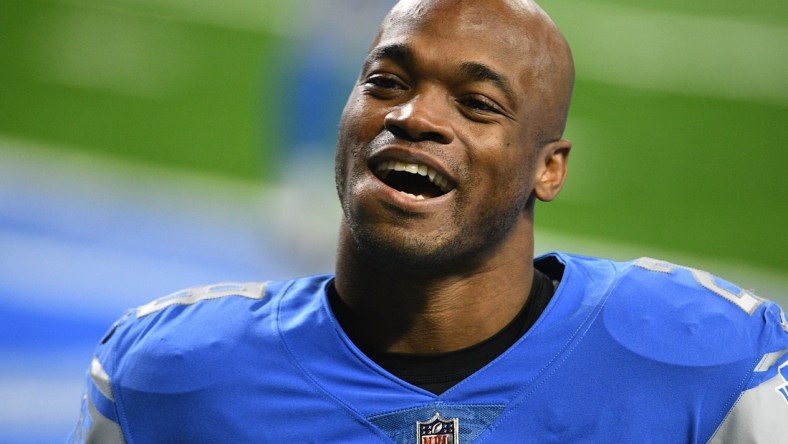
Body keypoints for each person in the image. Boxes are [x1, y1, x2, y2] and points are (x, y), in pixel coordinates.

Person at [69, 0, 788, 442]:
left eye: (478, 104)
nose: (413, 117)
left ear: (551, 169)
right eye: (386, 82)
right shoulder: (170, 376)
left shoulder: (707, 362)